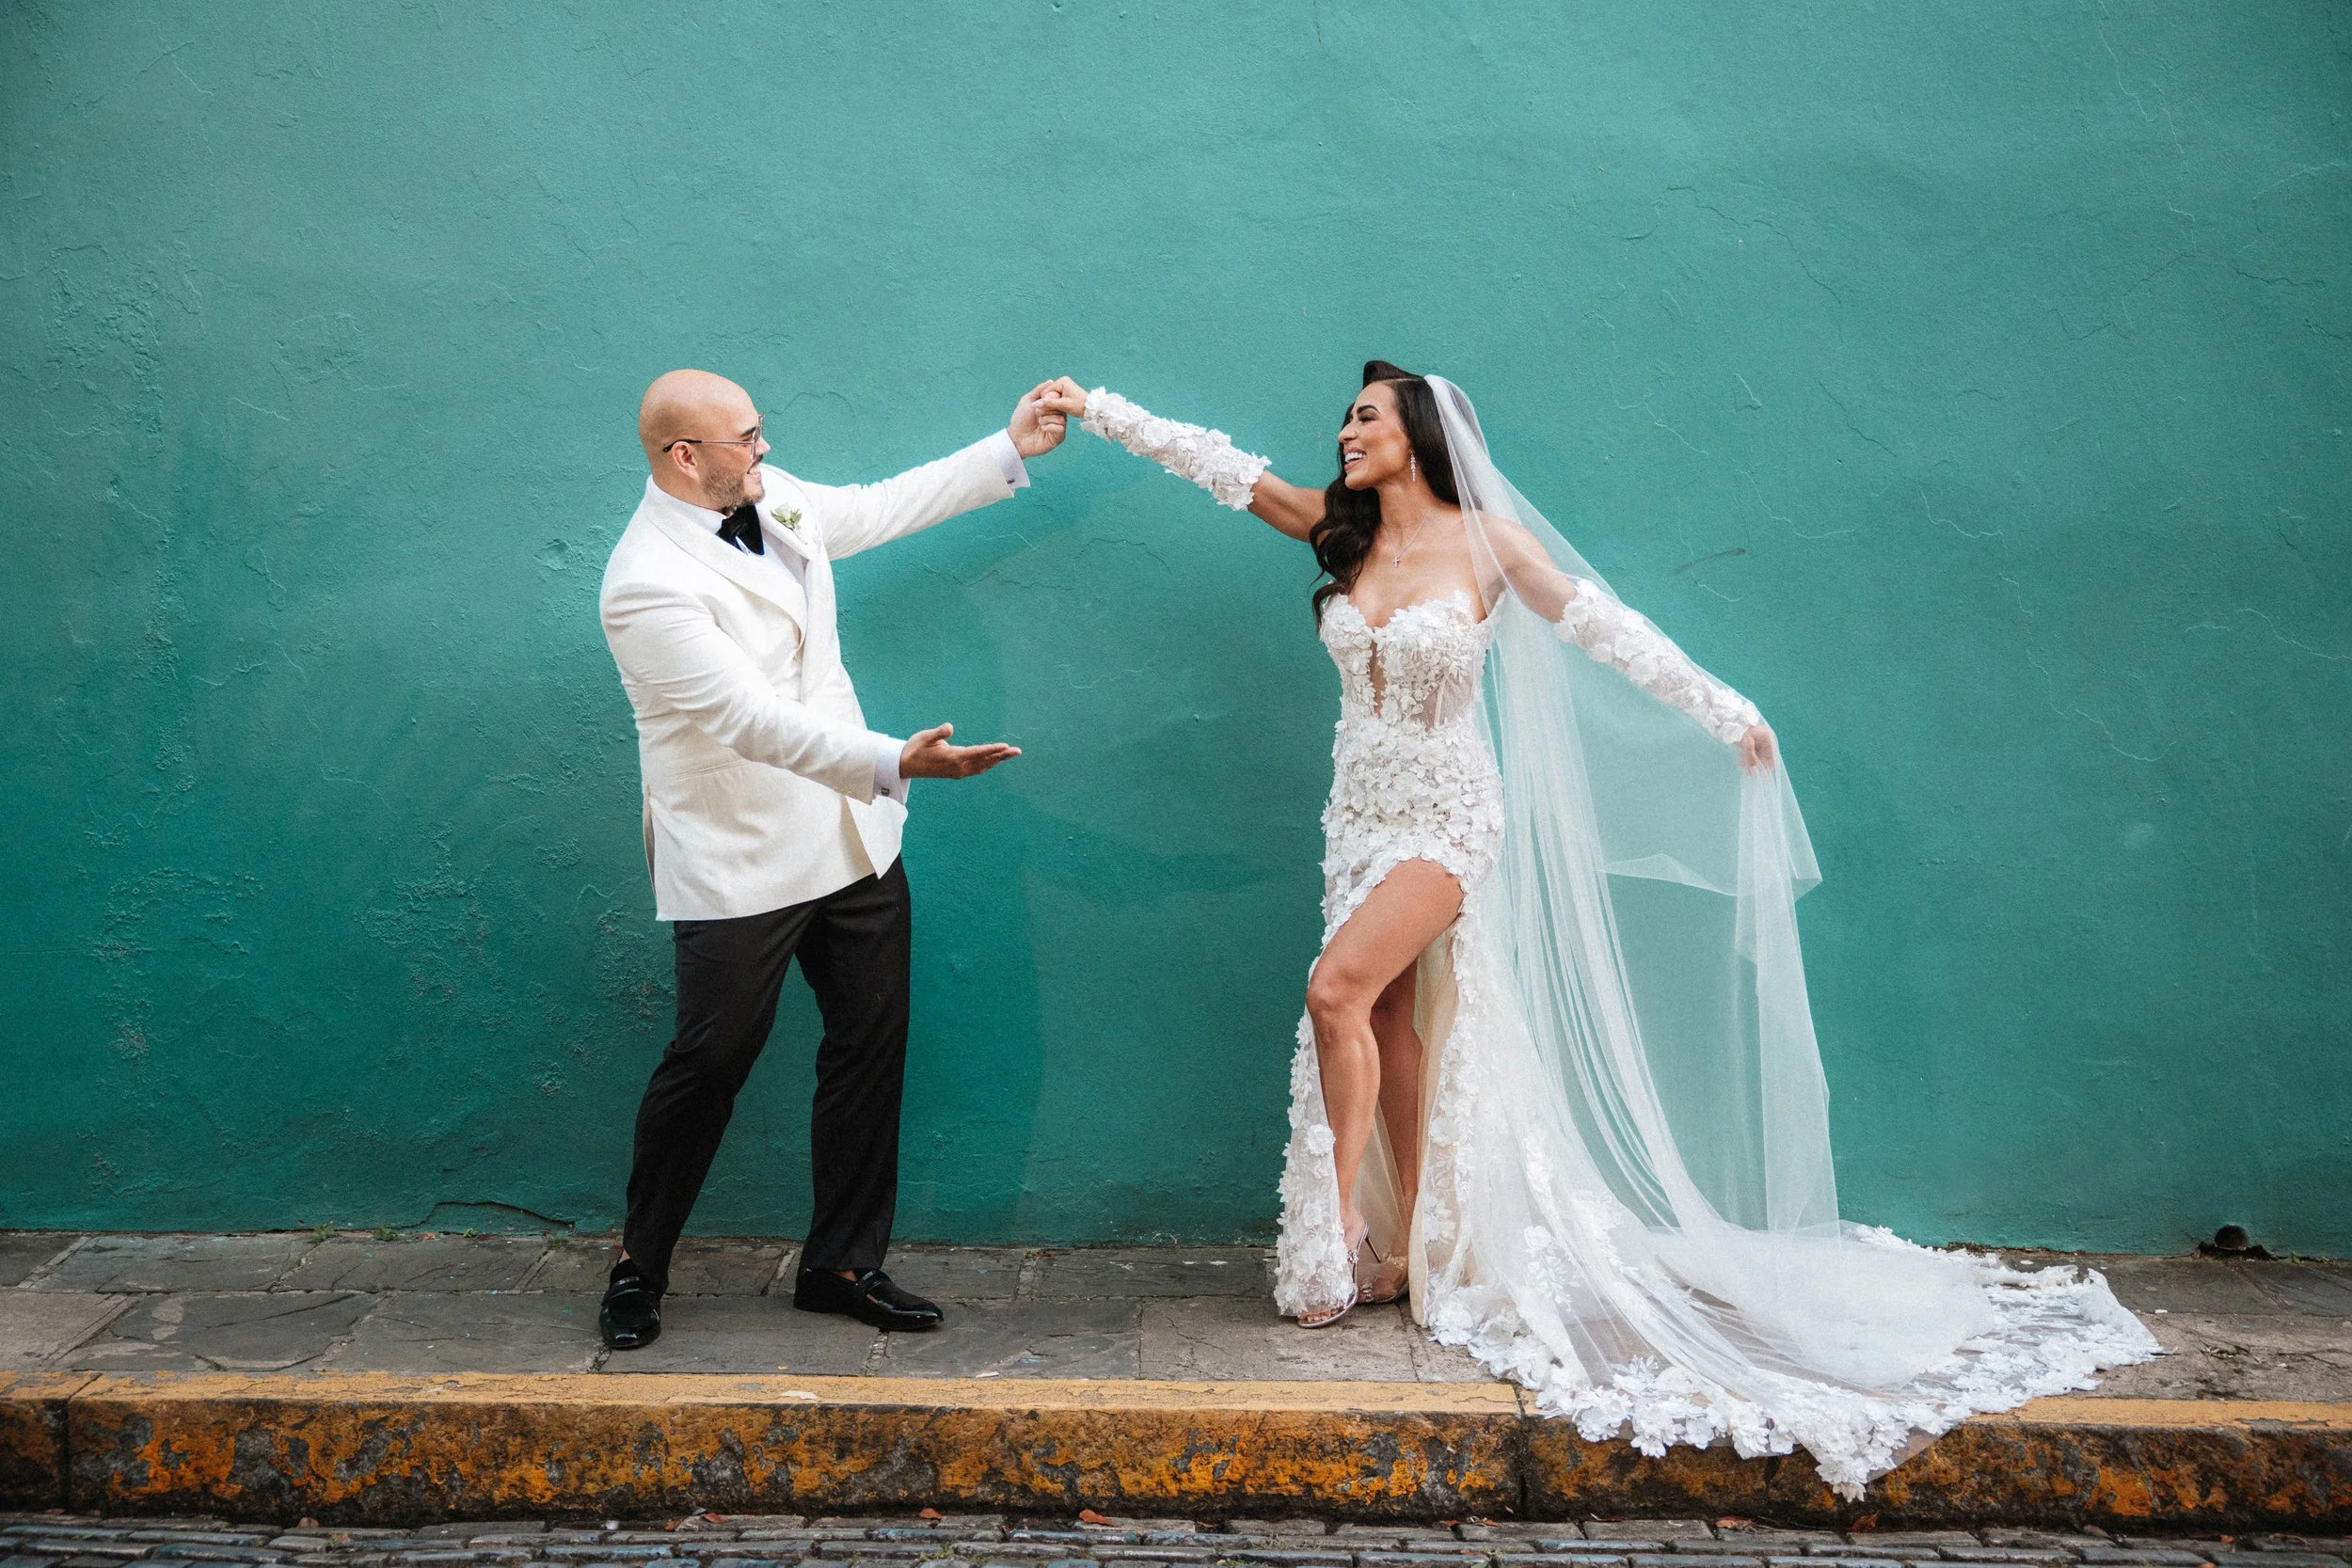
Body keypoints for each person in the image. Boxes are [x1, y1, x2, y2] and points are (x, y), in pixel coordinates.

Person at [1040, 364, 2155, 1496]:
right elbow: (1221, 471)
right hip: (1355, 822)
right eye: (1345, 419)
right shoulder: (1342, 531)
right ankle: (1417, 1243)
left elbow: (1597, 622)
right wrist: (1104, 412)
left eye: (1366, 417)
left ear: (1420, 435)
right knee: (1388, 1015)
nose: (1344, 432)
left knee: (1335, 991)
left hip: (1447, 818)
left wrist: (1721, 708)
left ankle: (1333, 1241)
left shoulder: (1489, 544)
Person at [594, 369, 1066, 1350]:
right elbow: (749, 720)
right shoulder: (643, 583)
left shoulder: (771, 494)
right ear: (684, 456)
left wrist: (1007, 445)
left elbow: (878, 506)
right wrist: (895, 760)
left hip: (852, 836)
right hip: (740, 851)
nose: (763, 448)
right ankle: (639, 1262)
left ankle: (843, 1262)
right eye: (745, 437)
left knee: (868, 1043)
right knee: (710, 1058)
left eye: (760, 429)